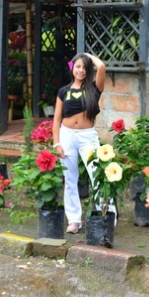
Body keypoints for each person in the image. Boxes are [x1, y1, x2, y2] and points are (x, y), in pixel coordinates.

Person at [52, 52, 106, 234]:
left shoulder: (93, 89)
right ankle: (74, 220)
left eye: (84, 67)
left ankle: (100, 214)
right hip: (66, 136)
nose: (81, 70)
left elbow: (102, 67)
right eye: (78, 66)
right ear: (72, 68)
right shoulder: (63, 91)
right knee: (70, 179)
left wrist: (86, 56)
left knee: (96, 175)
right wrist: (56, 143)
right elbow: (56, 120)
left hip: (87, 137)